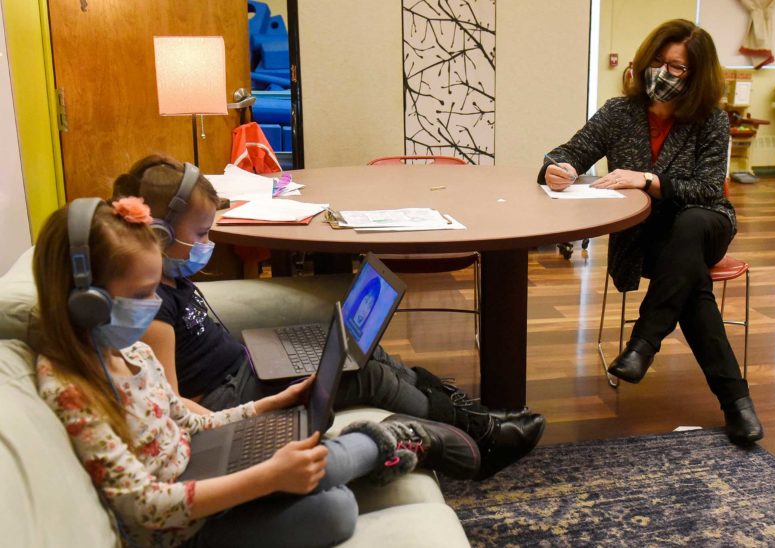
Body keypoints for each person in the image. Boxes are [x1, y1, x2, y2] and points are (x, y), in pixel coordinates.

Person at [34, 196, 486, 547]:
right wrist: (266, 478)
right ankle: (381, 442)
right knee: (337, 511)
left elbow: (191, 423)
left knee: (308, 455)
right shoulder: (71, 388)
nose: (154, 305)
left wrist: (263, 407)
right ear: (84, 301)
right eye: (141, 293)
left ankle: (386, 439)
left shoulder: (132, 354)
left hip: (205, 468)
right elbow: (142, 506)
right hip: (184, 530)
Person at [111, 154, 546, 478]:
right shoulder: (153, 307)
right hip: (226, 396)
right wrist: (251, 407)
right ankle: (482, 439)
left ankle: (467, 413)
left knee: (362, 349)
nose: (208, 244)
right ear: (161, 234)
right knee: (362, 374)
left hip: (241, 369)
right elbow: (170, 404)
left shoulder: (172, 278)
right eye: (202, 234)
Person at [538, 19, 762, 446]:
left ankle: (644, 341)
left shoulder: (710, 119)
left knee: (692, 223)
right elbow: (570, 151)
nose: (663, 73)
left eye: (676, 68)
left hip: (707, 222)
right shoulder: (619, 113)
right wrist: (559, 168)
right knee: (691, 286)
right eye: (658, 61)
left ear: (698, 75)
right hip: (652, 239)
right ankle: (735, 402)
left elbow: (707, 188)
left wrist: (647, 179)